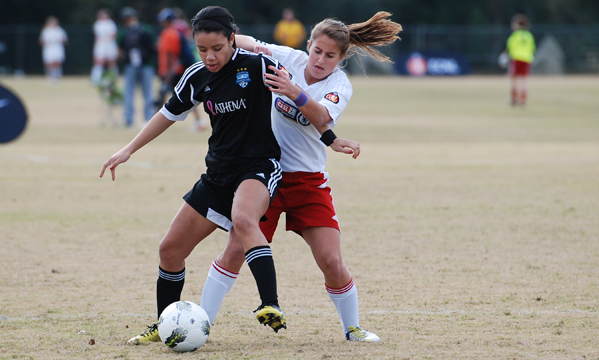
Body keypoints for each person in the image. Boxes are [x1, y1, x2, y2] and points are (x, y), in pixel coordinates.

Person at [200, 12, 402, 342]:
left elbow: (322, 115)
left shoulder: (339, 85)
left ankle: (353, 329)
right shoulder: (288, 58)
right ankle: (202, 324)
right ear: (308, 45)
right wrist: (228, 39)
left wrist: (294, 92)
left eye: (331, 55)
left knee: (331, 261)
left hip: (308, 182)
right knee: (235, 250)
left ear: (341, 58)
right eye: (317, 51)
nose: (321, 60)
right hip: (265, 176)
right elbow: (250, 43)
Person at [100, 5, 287, 344]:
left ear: (232, 39)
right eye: (202, 50)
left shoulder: (258, 65)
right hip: (217, 174)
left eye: (217, 48)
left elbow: (295, 93)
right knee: (169, 249)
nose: (210, 56)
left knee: (244, 219)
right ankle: (165, 325)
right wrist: (128, 149)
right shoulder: (197, 75)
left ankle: (269, 304)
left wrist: (326, 133)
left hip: (258, 167)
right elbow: (167, 114)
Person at [155, 7, 206, 132]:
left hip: (176, 71)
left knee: (175, 97)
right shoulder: (175, 31)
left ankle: (153, 122)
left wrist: (168, 72)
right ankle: (199, 121)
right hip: (177, 70)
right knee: (181, 97)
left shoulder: (170, 33)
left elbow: (171, 54)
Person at [117, 7, 156, 128]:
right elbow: (155, 46)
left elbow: (119, 51)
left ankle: (129, 121)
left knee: (129, 94)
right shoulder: (147, 29)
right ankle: (149, 120)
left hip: (131, 66)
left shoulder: (123, 31)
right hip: (147, 65)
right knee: (148, 94)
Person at [504, 14, 536, 106]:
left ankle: (514, 99)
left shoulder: (514, 36)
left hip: (516, 59)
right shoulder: (529, 36)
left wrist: (507, 57)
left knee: (514, 80)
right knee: (523, 80)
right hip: (526, 59)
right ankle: (523, 99)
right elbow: (533, 49)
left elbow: (509, 49)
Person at [91, 9, 119, 85]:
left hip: (109, 44)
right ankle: (96, 79)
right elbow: (96, 37)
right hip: (101, 44)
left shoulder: (111, 24)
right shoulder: (97, 24)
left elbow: (114, 35)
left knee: (111, 62)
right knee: (99, 61)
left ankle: (112, 78)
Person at [39, 16, 67, 83]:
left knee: (57, 62)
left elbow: (65, 40)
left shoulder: (59, 30)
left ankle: (57, 75)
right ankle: (50, 75)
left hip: (57, 48)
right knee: (49, 63)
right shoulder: (46, 31)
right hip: (49, 49)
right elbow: (42, 41)